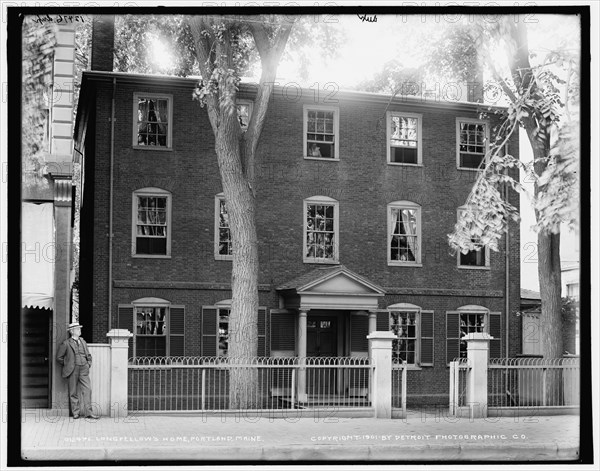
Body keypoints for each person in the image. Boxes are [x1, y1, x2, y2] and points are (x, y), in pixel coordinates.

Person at [56, 322, 99, 419]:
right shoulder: (66, 343)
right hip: (73, 369)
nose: (80, 330)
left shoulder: (83, 341)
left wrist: (88, 364)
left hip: (84, 368)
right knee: (73, 392)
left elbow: (88, 355)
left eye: (79, 329)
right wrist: (68, 365)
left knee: (88, 390)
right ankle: (76, 412)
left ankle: (89, 412)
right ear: (72, 331)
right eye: (78, 329)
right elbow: (59, 357)